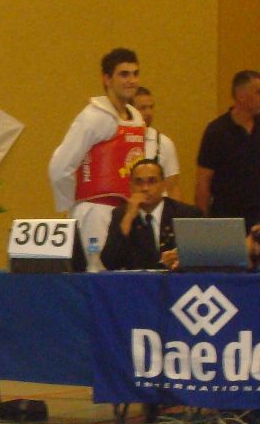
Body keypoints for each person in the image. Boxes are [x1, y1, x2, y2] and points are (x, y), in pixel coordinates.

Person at [47, 48, 145, 271]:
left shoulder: (136, 118)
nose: (131, 80)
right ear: (107, 79)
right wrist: (72, 204)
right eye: (124, 74)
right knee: (98, 274)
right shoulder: (93, 118)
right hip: (96, 212)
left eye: (135, 73)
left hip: (128, 212)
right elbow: (60, 167)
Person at [99, 158, 202, 271]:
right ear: (131, 187)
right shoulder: (121, 215)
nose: (145, 188)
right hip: (137, 281)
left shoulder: (186, 214)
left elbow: (201, 259)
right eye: (139, 182)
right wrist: (128, 218)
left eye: (152, 181)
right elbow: (109, 262)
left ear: (163, 185)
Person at [195, 69, 260, 228]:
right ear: (241, 95)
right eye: (258, 92)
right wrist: (203, 224)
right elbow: (203, 182)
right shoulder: (217, 131)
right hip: (227, 218)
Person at [131, 87, 181, 199]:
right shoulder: (118, 141)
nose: (148, 113)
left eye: (151, 107)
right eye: (142, 108)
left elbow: (173, 188)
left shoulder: (164, 143)